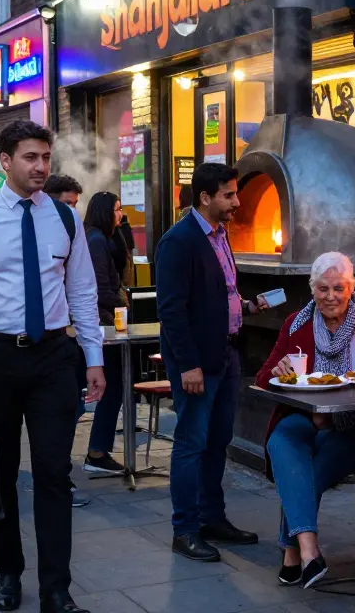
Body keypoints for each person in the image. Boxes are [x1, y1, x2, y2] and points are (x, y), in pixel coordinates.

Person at [0, 120, 104, 613]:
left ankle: (57, 589)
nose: (41, 166)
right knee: (0, 472)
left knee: (54, 471)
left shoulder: (65, 218)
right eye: (30, 157)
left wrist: (94, 357)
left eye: (46, 157)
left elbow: (83, 292)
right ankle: (8, 571)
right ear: (6, 161)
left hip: (54, 357)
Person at [254, 251, 355, 588]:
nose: (331, 296)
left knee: (314, 468)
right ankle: (310, 551)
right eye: (323, 288)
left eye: (339, 288)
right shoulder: (296, 323)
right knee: (281, 439)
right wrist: (278, 370)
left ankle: (293, 551)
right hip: (308, 418)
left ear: (351, 288)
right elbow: (264, 377)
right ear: (312, 289)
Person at [156, 162, 267, 562]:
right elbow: (172, 309)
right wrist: (188, 365)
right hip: (198, 361)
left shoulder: (221, 235)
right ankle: (185, 529)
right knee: (191, 443)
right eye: (229, 195)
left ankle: (212, 518)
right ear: (205, 197)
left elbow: (219, 293)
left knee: (218, 441)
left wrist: (245, 307)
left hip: (227, 353)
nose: (237, 202)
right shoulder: (179, 240)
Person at [43, 175, 93, 508]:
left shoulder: (74, 233)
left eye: (76, 204)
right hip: (39, 341)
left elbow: (84, 290)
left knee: (69, 409)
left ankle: (57, 477)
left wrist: (93, 354)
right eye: (67, 203)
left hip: (68, 341)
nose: (73, 210)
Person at [80, 192, 127, 476]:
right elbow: (99, 288)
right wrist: (122, 304)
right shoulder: (96, 241)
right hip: (103, 324)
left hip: (99, 322)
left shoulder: (96, 237)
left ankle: (97, 450)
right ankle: (97, 451)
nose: (121, 215)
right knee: (112, 386)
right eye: (117, 210)